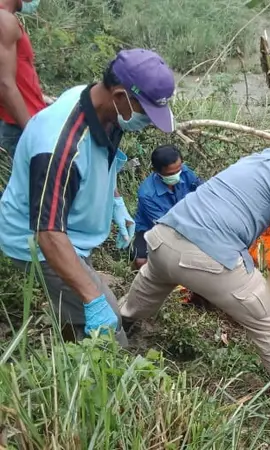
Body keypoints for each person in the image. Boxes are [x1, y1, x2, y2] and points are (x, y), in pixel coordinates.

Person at [118, 116, 270, 430]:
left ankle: (118, 326)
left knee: (149, 283)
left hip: (164, 238)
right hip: (207, 257)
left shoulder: (258, 159)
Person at [0, 48, 177, 344]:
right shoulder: (59, 147)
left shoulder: (101, 106)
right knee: (107, 325)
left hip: (71, 231)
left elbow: (97, 159)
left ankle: (70, 345)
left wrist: (115, 201)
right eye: (146, 113)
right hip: (39, 243)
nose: (148, 122)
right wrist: (93, 299)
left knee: (75, 307)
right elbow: (48, 233)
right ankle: (106, 383)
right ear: (120, 96)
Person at [131, 144, 203, 270]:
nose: (177, 174)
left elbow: (201, 190)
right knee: (141, 262)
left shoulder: (185, 172)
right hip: (153, 227)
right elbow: (165, 226)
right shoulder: (147, 194)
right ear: (156, 171)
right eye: (171, 173)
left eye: (178, 169)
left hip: (187, 220)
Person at [0, 0, 48, 157]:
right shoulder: (4, 20)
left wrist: (38, 97)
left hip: (22, 119)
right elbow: (4, 84)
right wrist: (31, 132)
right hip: (18, 126)